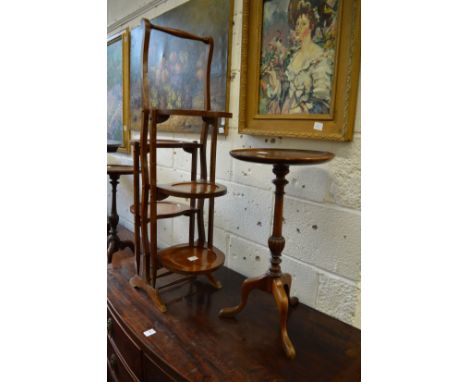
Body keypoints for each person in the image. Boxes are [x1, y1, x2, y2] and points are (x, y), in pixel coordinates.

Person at [261, 0, 335, 115]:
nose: (298, 28)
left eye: (303, 23)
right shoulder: (293, 55)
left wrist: (292, 112)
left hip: (303, 121)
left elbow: (322, 104)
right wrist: (276, 85)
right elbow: (287, 92)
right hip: (285, 115)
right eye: (297, 24)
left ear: (312, 26)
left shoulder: (320, 57)